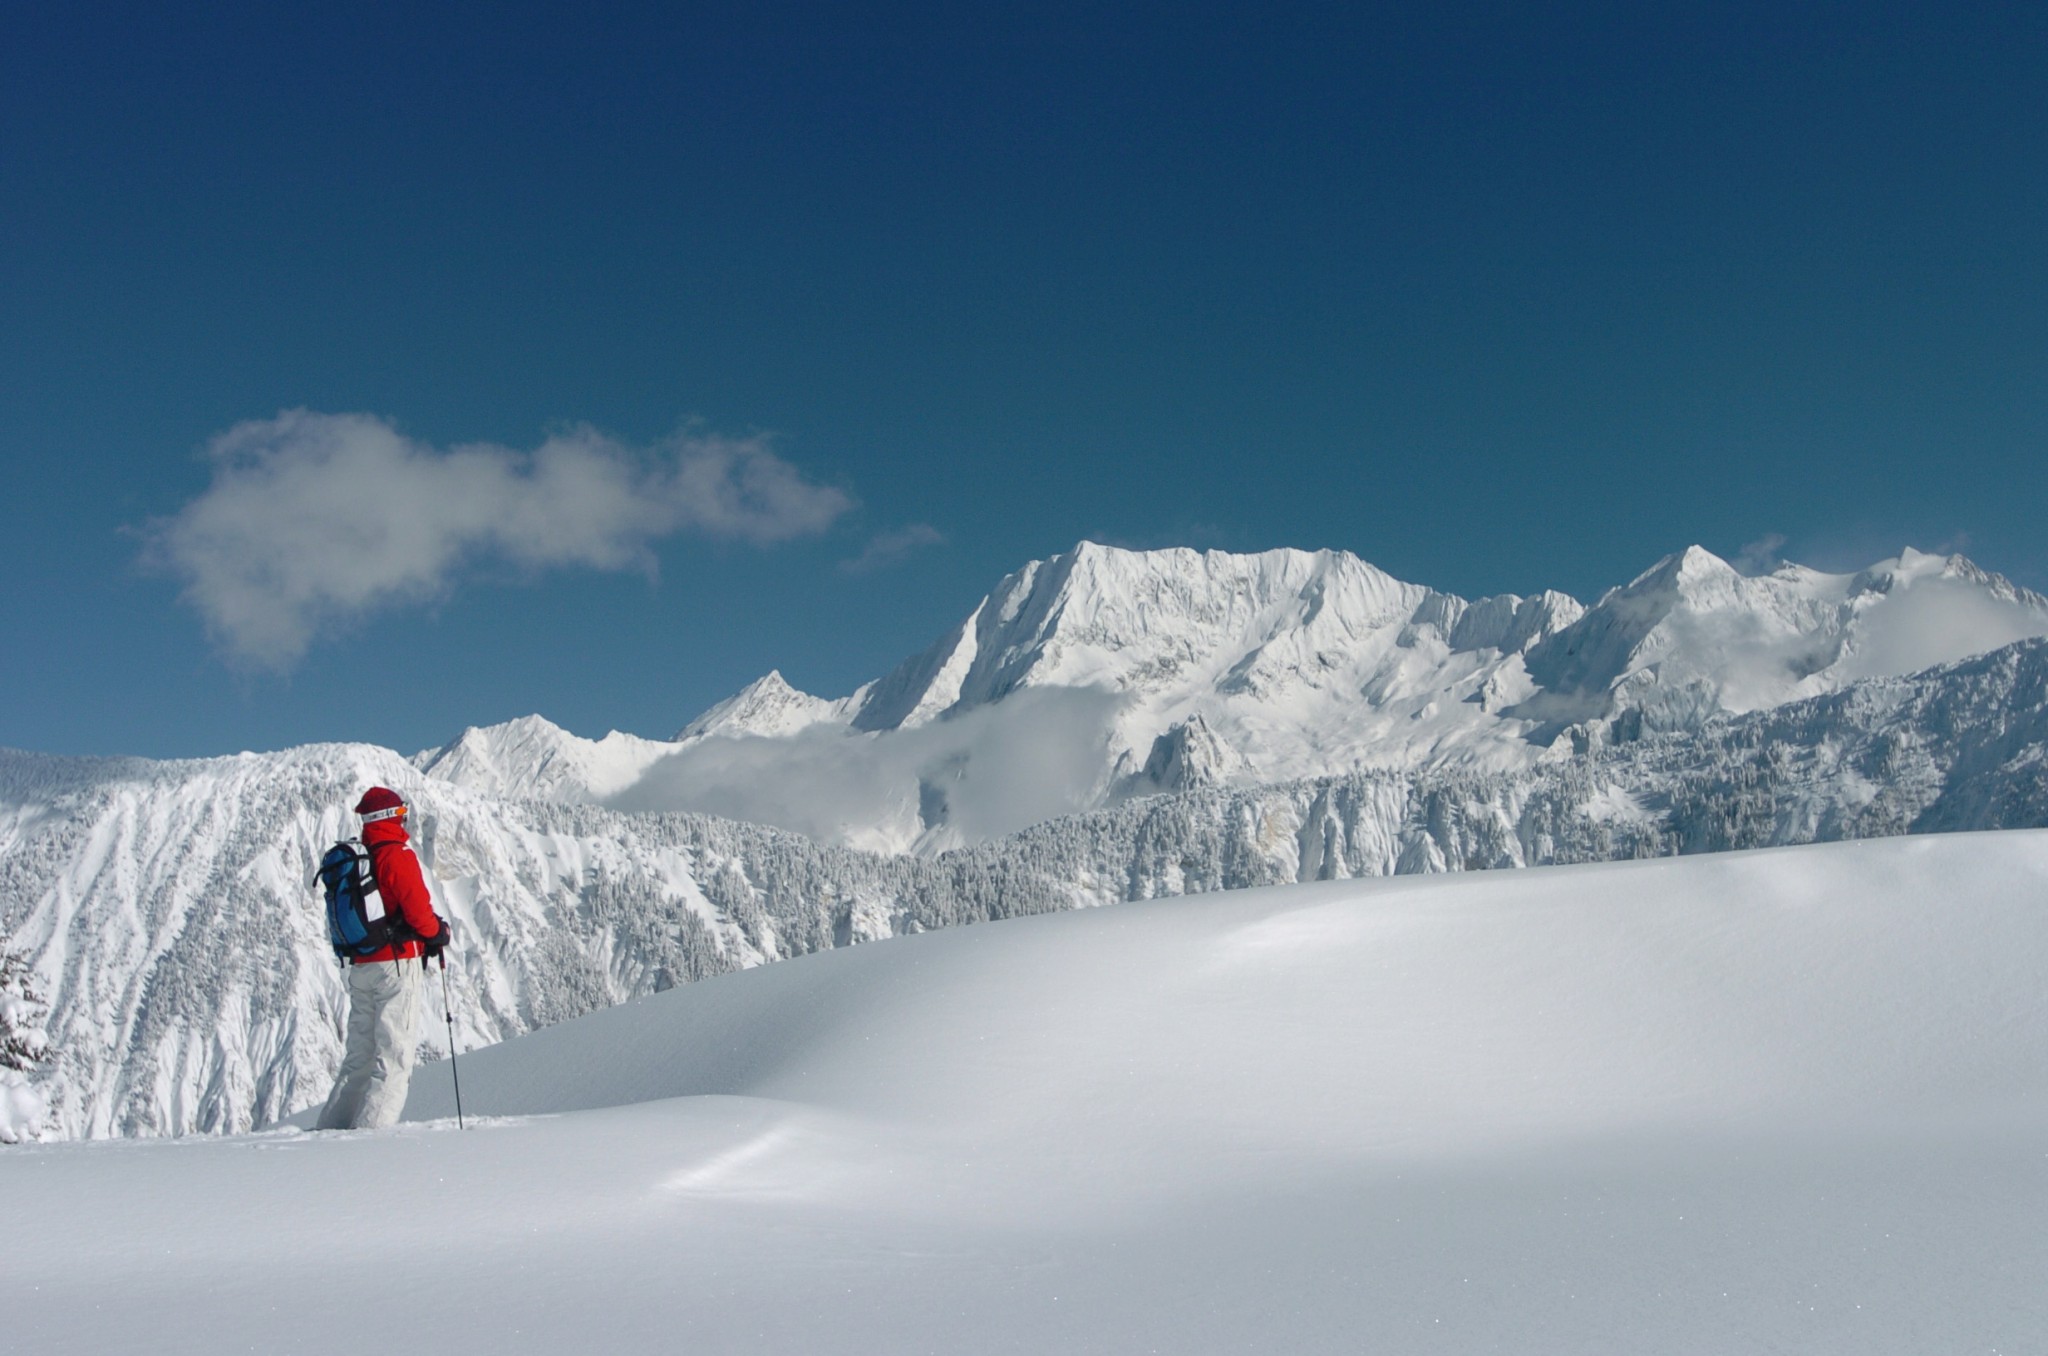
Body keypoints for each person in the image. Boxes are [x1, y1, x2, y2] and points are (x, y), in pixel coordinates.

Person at [316, 786, 452, 1130]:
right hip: (395, 966)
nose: (406, 817)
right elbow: (419, 913)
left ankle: (329, 1131)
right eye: (401, 812)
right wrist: (438, 933)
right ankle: (370, 1141)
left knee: (358, 1058)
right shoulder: (395, 855)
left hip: (360, 965)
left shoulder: (360, 856)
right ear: (390, 816)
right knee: (393, 1057)